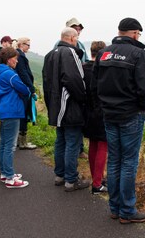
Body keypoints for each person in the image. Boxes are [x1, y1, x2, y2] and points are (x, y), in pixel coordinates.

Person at [92, 18, 145, 223]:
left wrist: (103, 107)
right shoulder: (138, 54)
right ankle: (127, 211)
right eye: (138, 34)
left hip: (109, 114)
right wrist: (143, 109)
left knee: (115, 160)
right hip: (130, 115)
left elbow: (94, 87)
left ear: (119, 31)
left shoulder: (103, 53)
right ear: (135, 33)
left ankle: (115, 207)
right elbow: (144, 88)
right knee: (128, 162)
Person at [43, 27, 90, 192]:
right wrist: (84, 99)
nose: (77, 41)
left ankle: (60, 175)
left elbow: (47, 82)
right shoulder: (71, 53)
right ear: (71, 38)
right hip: (70, 106)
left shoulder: (50, 55)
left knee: (60, 141)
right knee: (73, 143)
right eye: (76, 38)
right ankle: (72, 180)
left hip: (56, 107)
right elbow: (75, 80)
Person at [0, 47, 30, 189]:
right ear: (9, 59)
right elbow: (24, 89)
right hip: (12, 111)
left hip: (4, 111)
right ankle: (10, 178)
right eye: (15, 58)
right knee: (9, 145)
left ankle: (5, 173)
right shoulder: (10, 74)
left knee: (4, 144)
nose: (17, 60)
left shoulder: (0, 72)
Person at [54, 17, 89, 159]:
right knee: (69, 133)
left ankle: (63, 170)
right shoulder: (61, 47)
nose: (78, 30)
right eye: (75, 28)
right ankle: (70, 175)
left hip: (71, 89)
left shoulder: (80, 44)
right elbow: (67, 73)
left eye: (79, 28)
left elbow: (84, 62)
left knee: (67, 133)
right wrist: (83, 96)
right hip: (68, 93)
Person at [83, 41, 108, 194]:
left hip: (86, 111)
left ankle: (96, 178)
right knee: (103, 146)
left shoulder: (82, 68)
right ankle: (97, 183)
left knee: (93, 144)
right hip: (101, 111)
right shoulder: (102, 70)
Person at [15, 37, 37, 150]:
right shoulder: (21, 56)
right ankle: (23, 142)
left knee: (22, 114)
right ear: (21, 45)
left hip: (22, 89)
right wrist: (32, 89)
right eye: (28, 45)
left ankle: (19, 140)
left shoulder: (19, 55)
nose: (29, 47)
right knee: (24, 115)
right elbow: (24, 74)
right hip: (24, 90)